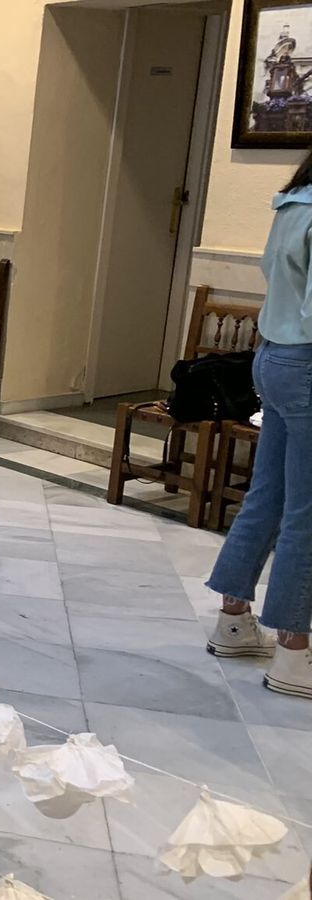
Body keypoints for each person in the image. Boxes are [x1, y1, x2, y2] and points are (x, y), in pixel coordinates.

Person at [204, 150, 312, 699]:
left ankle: (234, 621)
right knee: (306, 511)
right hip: (307, 360)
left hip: (273, 355)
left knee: (268, 495)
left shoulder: (293, 202)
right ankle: (294, 650)